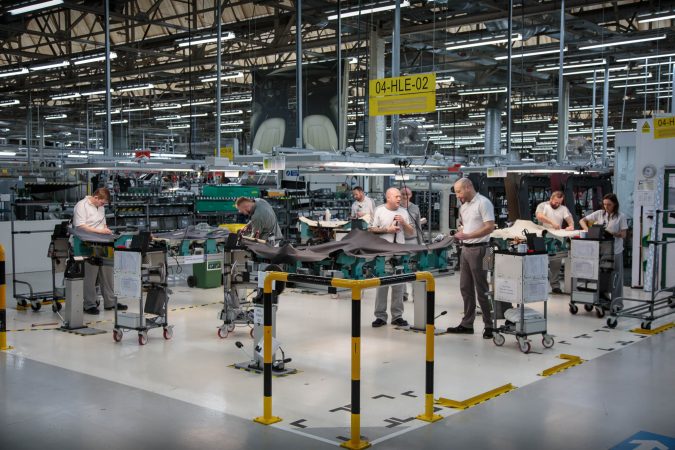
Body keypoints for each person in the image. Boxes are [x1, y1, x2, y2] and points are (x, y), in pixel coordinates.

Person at [446, 178, 496, 339]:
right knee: (465, 288)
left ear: (468, 187)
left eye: (459, 191)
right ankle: (467, 323)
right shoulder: (464, 206)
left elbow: (489, 227)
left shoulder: (483, 203)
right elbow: (465, 225)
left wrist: (467, 235)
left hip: (484, 249)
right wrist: (461, 233)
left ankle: (490, 325)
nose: (458, 195)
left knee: (482, 289)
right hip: (466, 249)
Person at [73, 187, 127, 315]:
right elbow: (80, 226)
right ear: (96, 197)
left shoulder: (100, 207)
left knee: (108, 272)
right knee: (90, 276)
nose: (103, 205)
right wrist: (101, 231)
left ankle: (110, 302)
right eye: (102, 202)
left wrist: (106, 230)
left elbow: (102, 224)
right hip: (86, 243)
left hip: (102, 242)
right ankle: (89, 304)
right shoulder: (81, 205)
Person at [369, 187, 414, 328]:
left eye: (400, 196)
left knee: (399, 285)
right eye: (397, 197)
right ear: (388, 197)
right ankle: (380, 316)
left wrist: (404, 223)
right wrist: (387, 230)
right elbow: (371, 229)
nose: (400, 199)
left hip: (399, 251)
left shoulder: (404, 212)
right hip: (384, 251)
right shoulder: (380, 210)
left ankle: (397, 316)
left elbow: (411, 232)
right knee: (382, 285)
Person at [579, 193, 628, 308]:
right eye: (604, 204)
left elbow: (624, 234)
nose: (606, 207)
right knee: (601, 276)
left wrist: (613, 233)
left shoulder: (621, 217)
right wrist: (589, 231)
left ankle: (617, 303)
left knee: (616, 277)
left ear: (615, 204)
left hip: (615, 250)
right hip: (600, 251)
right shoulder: (600, 214)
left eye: (609, 205)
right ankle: (602, 298)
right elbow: (582, 220)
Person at [536, 191, 574, 294]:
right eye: (555, 202)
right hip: (543, 236)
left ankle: (555, 285)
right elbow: (539, 216)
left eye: (559, 203)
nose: (557, 204)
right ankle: (539, 285)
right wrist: (552, 222)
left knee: (556, 263)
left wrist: (571, 225)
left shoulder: (563, 209)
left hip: (557, 238)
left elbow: (570, 219)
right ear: (551, 199)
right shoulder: (543, 206)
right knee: (540, 262)